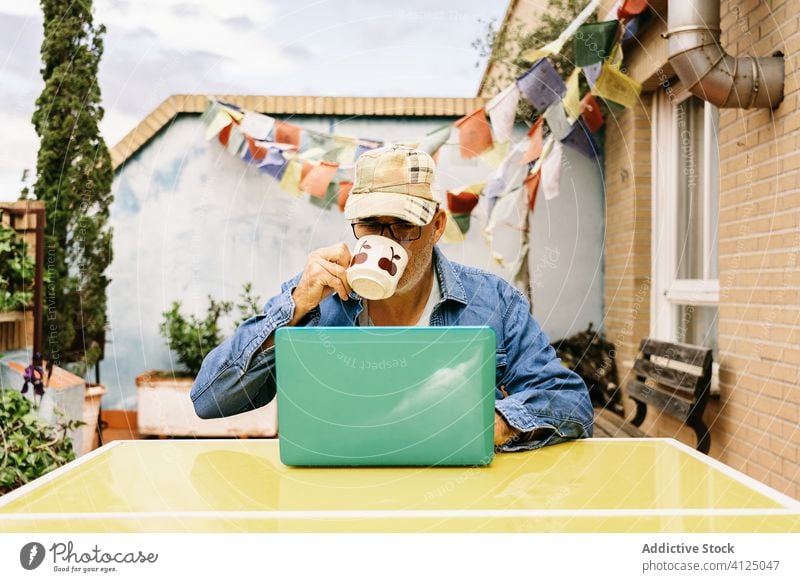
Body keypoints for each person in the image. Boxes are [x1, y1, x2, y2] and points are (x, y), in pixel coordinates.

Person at [191, 145, 593, 451]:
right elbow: (210, 400)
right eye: (369, 224)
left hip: (452, 495)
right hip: (334, 493)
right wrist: (294, 308)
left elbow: (569, 401)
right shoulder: (316, 296)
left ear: (436, 226)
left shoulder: (493, 301)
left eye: (403, 226)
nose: (384, 241)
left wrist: (492, 425)